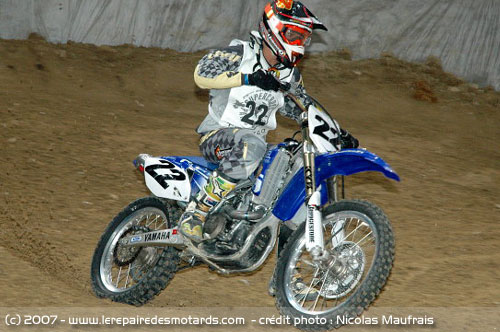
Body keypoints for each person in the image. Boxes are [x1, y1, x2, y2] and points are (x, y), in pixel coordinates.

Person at [180, 0, 358, 241]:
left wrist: (335, 131)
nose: (300, 43)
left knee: (291, 160)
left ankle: (287, 250)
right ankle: (197, 211)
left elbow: (305, 107)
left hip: (254, 145)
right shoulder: (240, 53)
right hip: (218, 137)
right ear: (274, 29)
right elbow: (201, 75)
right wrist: (247, 78)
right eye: (294, 34)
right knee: (253, 144)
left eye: (304, 38)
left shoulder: (289, 75)